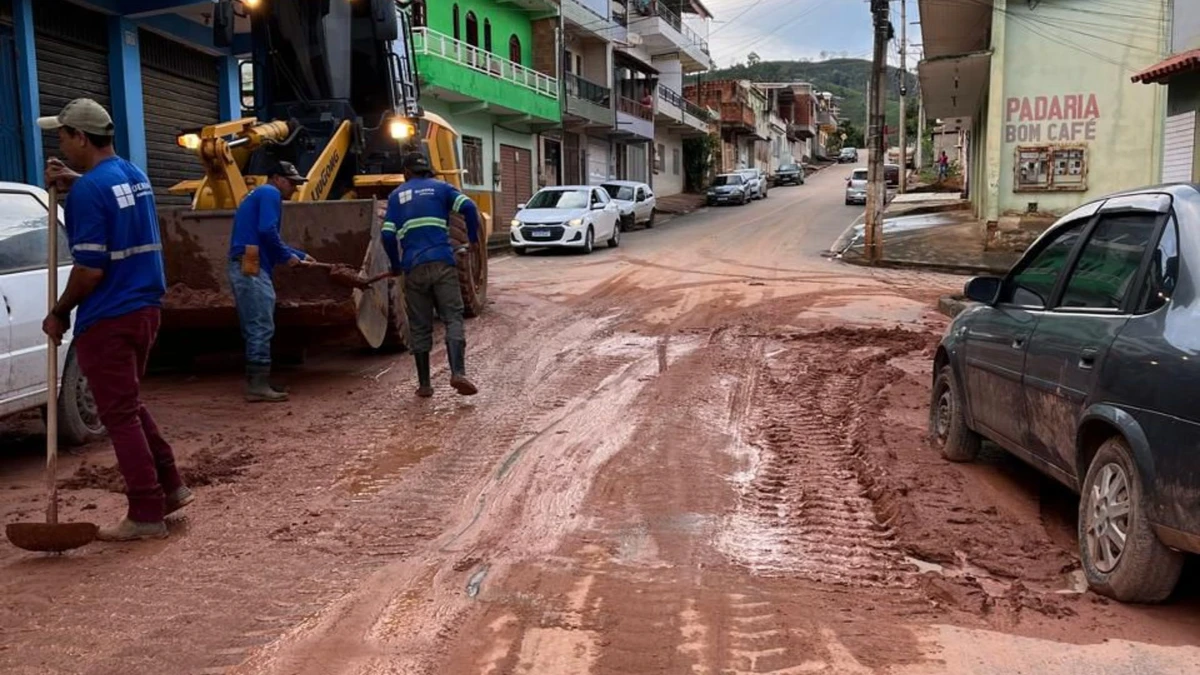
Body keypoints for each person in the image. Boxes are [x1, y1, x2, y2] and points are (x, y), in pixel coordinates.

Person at [40, 98, 191, 542]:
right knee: (128, 404)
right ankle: (171, 487)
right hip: (144, 308)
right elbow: (107, 193)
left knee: (118, 415)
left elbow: (89, 270)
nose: (61, 145)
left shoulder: (89, 191)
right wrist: (76, 180)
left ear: (81, 138)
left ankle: (146, 512)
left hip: (109, 315)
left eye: (64, 136)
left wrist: (59, 311)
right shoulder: (133, 174)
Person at [381, 152, 481, 398]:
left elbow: (386, 234)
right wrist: (473, 240)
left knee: (420, 325)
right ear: (429, 169)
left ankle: (425, 385)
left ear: (406, 171)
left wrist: (395, 264)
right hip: (442, 264)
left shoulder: (396, 196)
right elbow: (469, 207)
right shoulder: (441, 188)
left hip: (413, 268)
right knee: (452, 318)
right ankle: (458, 372)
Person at [227, 161, 316, 402]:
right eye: (291, 183)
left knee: (255, 323)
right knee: (261, 324)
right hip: (251, 265)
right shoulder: (270, 193)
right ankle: (257, 385)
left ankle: (259, 379)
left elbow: (264, 235)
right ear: (276, 178)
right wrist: (287, 257)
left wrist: (299, 255)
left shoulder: (257, 195)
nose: (294, 189)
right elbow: (267, 231)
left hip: (247, 262)